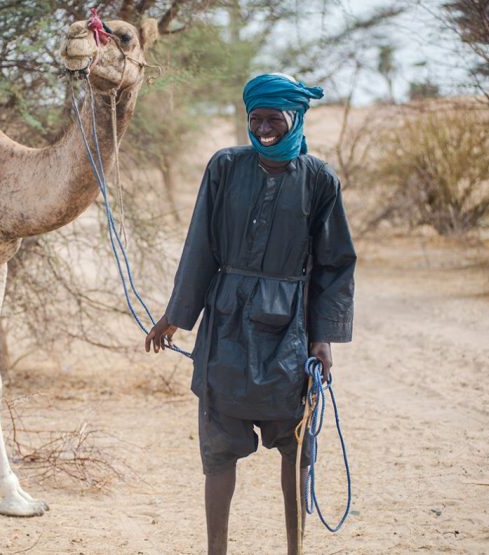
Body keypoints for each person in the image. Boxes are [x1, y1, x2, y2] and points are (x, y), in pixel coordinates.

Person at [144, 73, 356, 555]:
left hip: (292, 334)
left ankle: (294, 548)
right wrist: (176, 316)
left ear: (295, 118)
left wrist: (322, 339)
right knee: (218, 450)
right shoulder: (223, 167)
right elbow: (201, 246)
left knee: (297, 449)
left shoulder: (320, 180)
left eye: (273, 119)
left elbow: (335, 264)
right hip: (226, 325)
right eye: (255, 119)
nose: (263, 128)